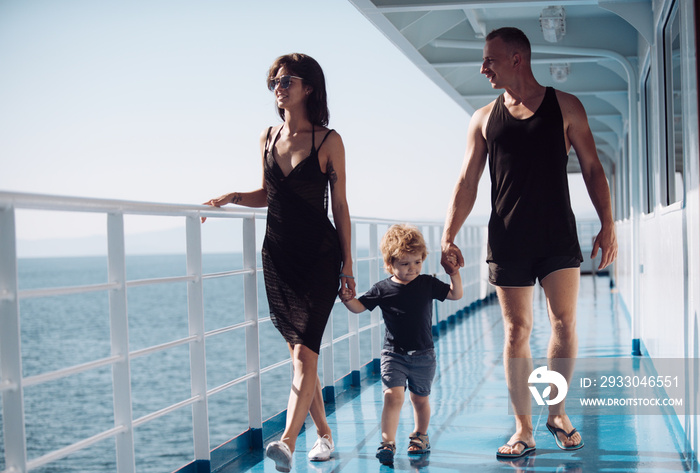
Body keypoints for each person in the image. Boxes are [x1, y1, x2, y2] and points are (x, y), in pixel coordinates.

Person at [440, 27, 617, 459]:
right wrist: (448, 233)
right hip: (508, 238)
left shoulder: (566, 107)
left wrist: (608, 223)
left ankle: (556, 413)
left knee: (563, 324)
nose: (483, 67)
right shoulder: (483, 118)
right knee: (517, 330)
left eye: (490, 60)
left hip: (557, 234)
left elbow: (593, 168)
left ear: (517, 58)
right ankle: (522, 428)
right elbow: (467, 181)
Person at [202, 53, 356, 472]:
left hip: (320, 259)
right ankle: (323, 435)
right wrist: (233, 196)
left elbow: (340, 207)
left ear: (309, 87)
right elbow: (270, 193)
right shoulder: (267, 137)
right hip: (278, 258)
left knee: (305, 355)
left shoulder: (328, 141)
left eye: (287, 79)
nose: (278, 86)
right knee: (301, 357)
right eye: (274, 79)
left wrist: (348, 265)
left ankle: (287, 442)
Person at [340, 224, 462, 465]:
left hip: (424, 355)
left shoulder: (427, 283)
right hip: (393, 354)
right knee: (392, 397)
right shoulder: (383, 289)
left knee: (420, 399)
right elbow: (358, 308)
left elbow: (455, 294)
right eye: (405, 264)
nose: (412, 269)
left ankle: (420, 435)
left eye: (417, 262)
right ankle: (387, 442)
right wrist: (346, 299)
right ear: (390, 263)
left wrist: (454, 273)